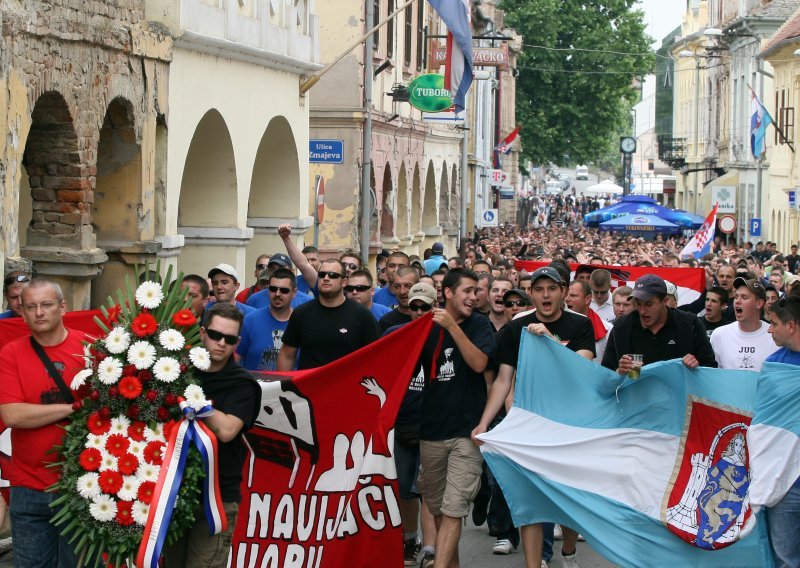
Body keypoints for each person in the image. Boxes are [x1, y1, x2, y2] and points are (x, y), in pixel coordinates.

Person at [473, 266, 594, 568]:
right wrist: (485, 422)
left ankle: (568, 549)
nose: (545, 295)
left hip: (569, 424)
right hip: (530, 423)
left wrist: (550, 341)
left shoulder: (580, 324)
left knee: (566, 501)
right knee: (530, 500)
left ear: (563, 292)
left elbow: (581, 370)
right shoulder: (517, 327)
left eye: (551, 289)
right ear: (531, 294)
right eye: (538, 289)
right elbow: (503, 379)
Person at [165, 303, 261, 567]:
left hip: (217, 498)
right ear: (202, 332)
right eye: (216, 335)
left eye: (229, 339)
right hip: (174, 493)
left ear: (238, 342)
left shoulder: (243, 383)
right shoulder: (175, 371)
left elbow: (228, 430)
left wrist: (194, 399)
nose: (221, 343)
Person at [0, 278, 87, 567]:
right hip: (29, 486)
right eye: (31, 307)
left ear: (63, 307)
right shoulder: (10, 353)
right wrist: (73, 408)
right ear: (21, 313)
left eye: (46, 305)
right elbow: (13, 415)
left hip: (82, 487)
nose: (39, 312)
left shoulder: (90, 350)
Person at [416, 268, 494, 568]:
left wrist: (452, 327)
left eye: (476, 291)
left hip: (467, 431)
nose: (474, 297)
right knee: (437, 509)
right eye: (467, 291)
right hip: (431, 429)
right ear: (448, 292)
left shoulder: (480, 325)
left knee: (453, 509)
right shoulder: (426, 326)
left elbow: (478, 363)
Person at [383, 283, 439, 567]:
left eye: (424, 308)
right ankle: (410, 539)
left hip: (432, 424)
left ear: (434, 308)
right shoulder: (394, 335)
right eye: (414, 307)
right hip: (400, 424)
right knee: (404, 489)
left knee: (427, 488)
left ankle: (429, 549)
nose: (418, 312)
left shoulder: (443, 336)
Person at [602, 274, 717, 372]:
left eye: (649, 304)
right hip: (637, 395)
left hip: (677, 396)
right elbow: (606, 374)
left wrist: (696, 366)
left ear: (665, 301)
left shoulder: (690, 325)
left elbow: (710, 368)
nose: (642, 311)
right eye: (638, 303)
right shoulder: (622, 327)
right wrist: (619, 371)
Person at [277, 259, 379, 370]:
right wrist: (283, 385)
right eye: (322, 274)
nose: (326, 278)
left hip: (347, 385)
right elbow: (287, 356)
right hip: (309, 385)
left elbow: (375, 357)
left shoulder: (362, 316)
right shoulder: (301, 313)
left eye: (333, 275)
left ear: (344, 282)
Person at [764, 295, 800, 566]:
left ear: (791, 325)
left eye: (774, 323)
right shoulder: (773, 366)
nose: (769, 329)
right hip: (786, 481)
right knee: (785, 558)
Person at [709, 278, 777, 371]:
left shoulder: (774, 335)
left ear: (759, 303)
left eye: (744, 297)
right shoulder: (719, 335)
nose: (737, 301)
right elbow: (712, 373)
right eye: (736, 297)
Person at [237, 268, 297, 371]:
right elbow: (236, 360)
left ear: (294, 293)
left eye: (284, 290)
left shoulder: (300, 324)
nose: (277, 294)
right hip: (255, 386)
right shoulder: (249, 321)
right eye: (273, 289)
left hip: (289, 386)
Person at [566, 279, 612, 362]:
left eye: (573, 295)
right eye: (566, 295)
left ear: (587, 299)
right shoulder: (558, 323)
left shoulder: (607, 329)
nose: (567, 299)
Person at [377, 266, 420, 332]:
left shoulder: (431, 317)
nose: (402, 291)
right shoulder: (385, 322)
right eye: (397, 286)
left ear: (418, 286)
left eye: (408, 286)